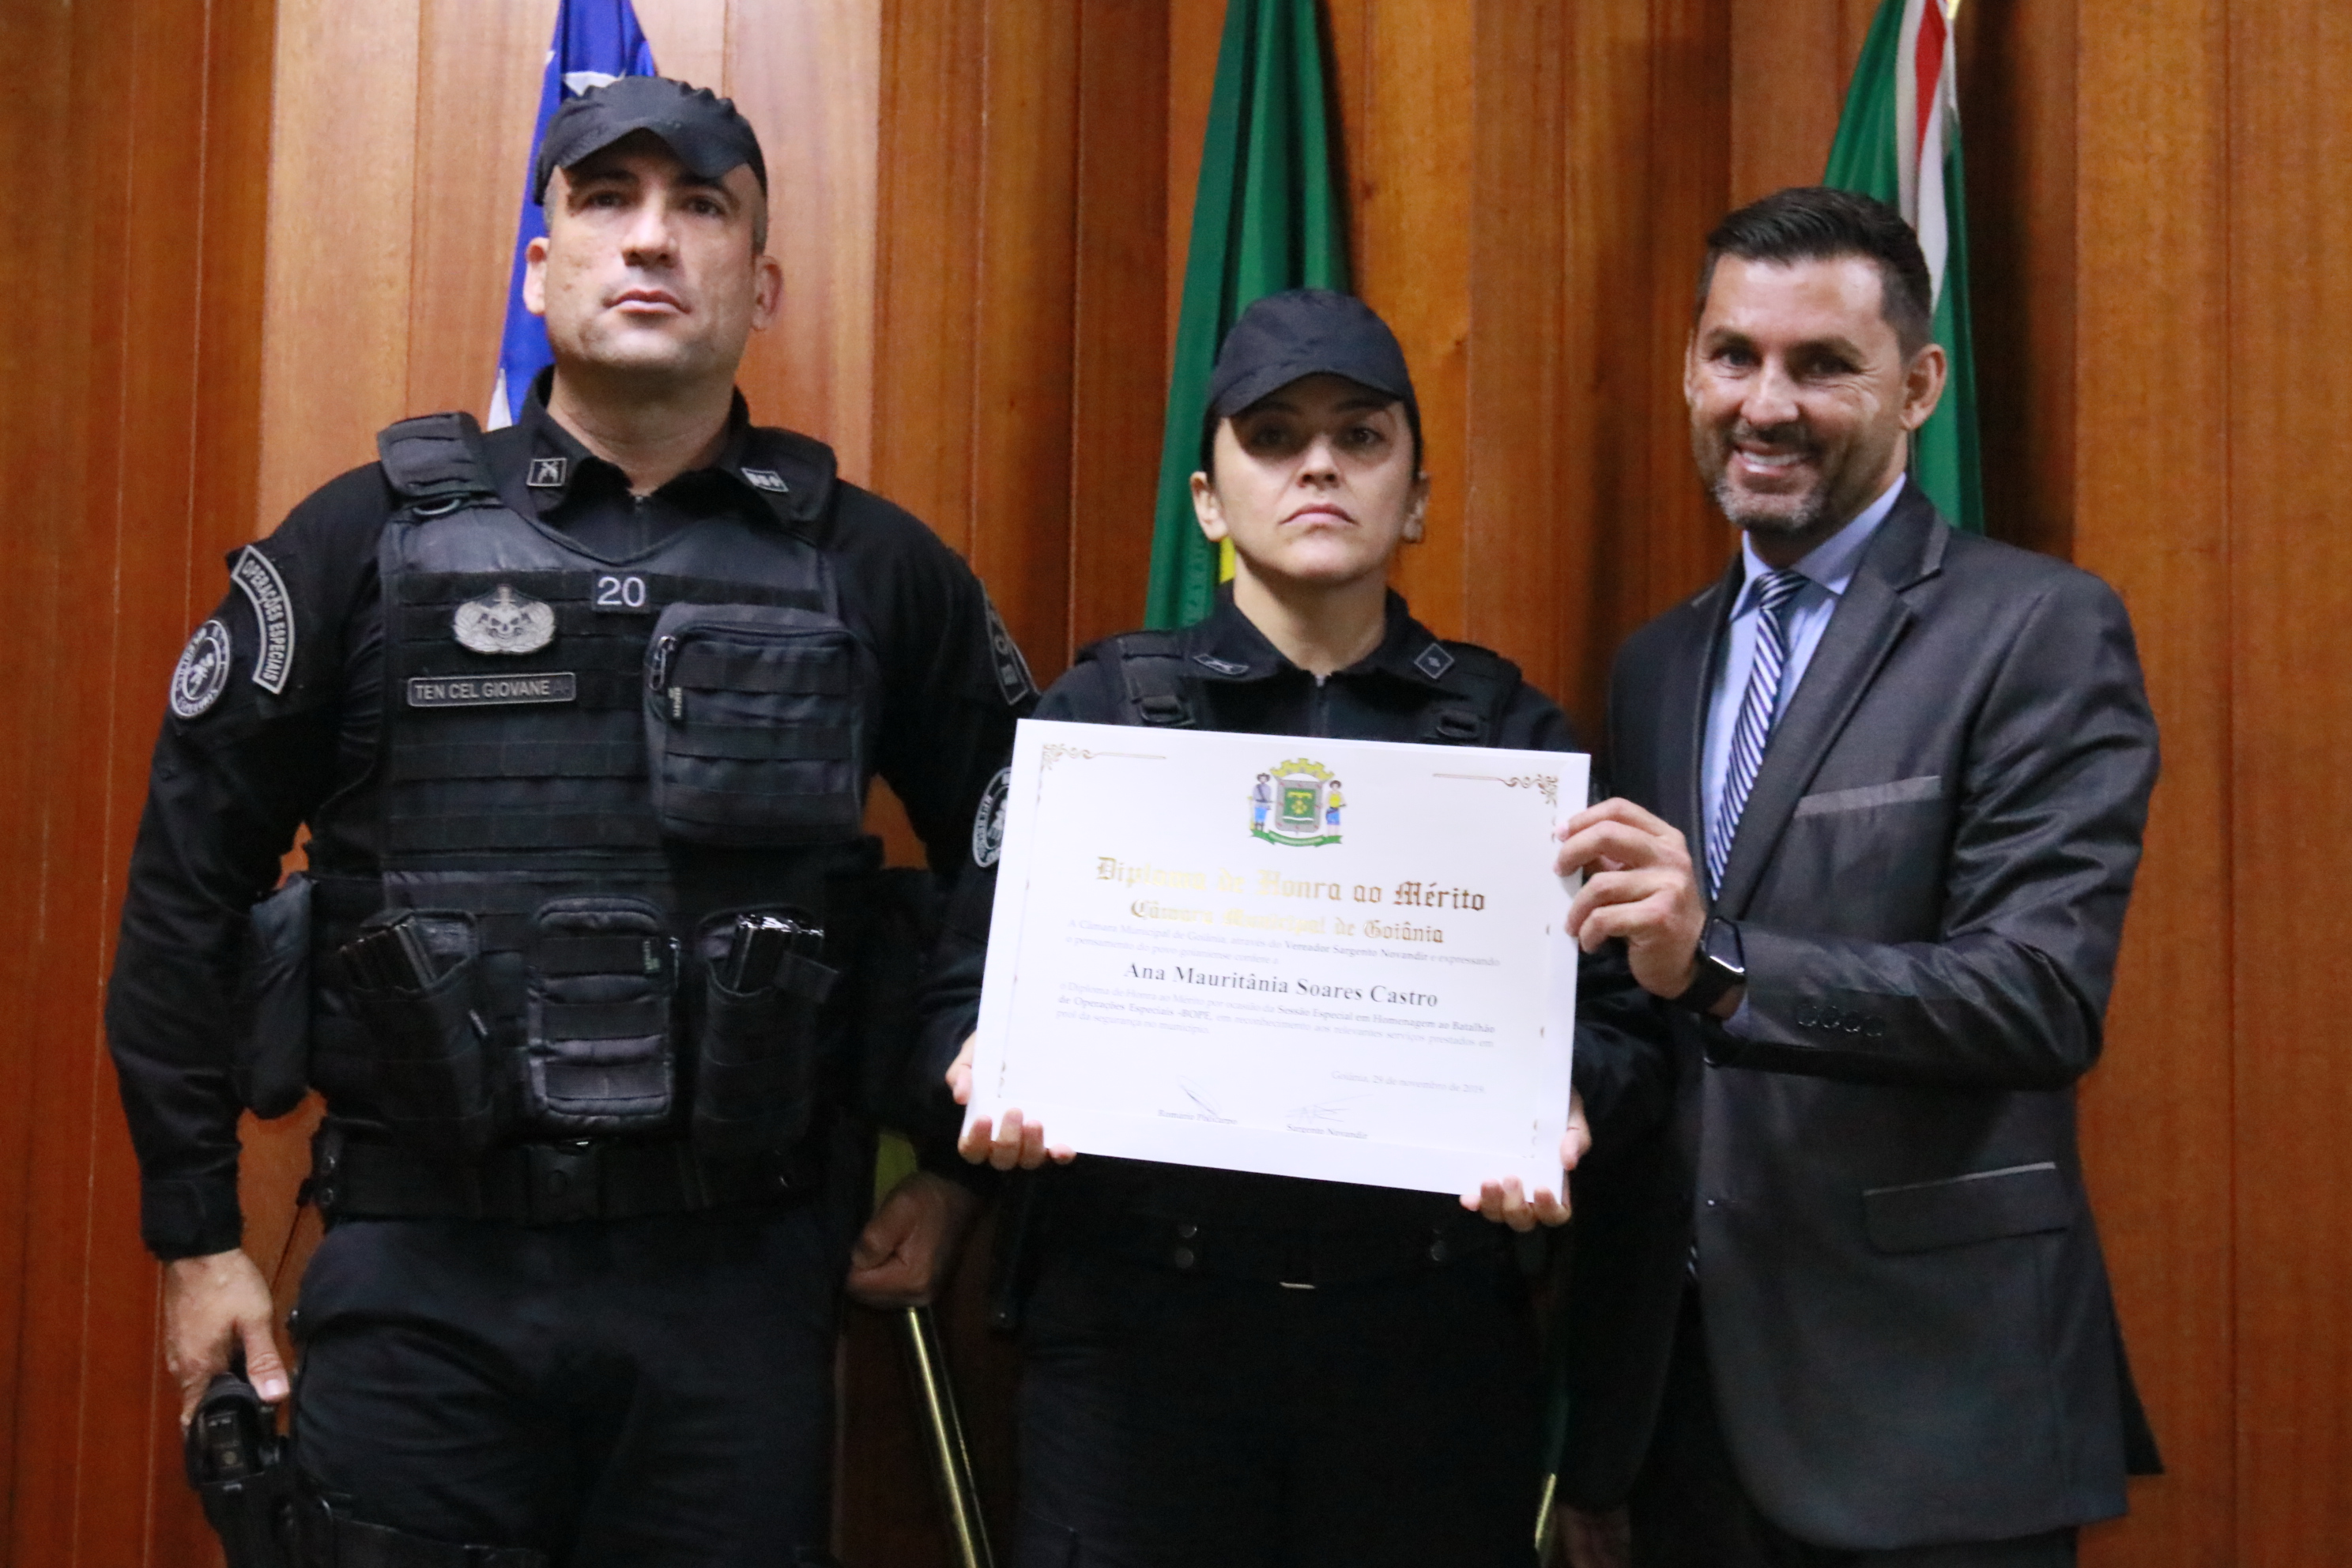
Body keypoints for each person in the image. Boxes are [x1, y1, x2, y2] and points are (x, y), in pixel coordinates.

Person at [107, 77, 1023, 1567]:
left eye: (701, 206)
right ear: (540, 270)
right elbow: (184, 885)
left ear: (760, 284)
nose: (650, 240)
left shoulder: (878, 571)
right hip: (424, 1283)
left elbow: (1026, 860)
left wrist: (957, 1173)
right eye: (606, 202)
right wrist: (197, 1231)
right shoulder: (360, 542)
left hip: (741, 1283)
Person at [947, 288, 1668, 1568]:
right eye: (1274, 437)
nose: (1319, 465)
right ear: (1209, 502)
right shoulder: (1100, 721)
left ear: (1417, 495)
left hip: (1425, 1344)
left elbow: (1618, 1032)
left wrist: (1561, 1104)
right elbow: (954, 993)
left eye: (1360, 436)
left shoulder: (1510, 742)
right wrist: (977, 1067)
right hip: (1138, 1346)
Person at [1551, 187, 2162, 1567]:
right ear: (1691, 368)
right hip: (1678, 1411)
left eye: (1823, 364)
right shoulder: (1658, 662)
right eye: (1733, 355)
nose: (1765, 405)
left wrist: (1725, 965)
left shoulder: (2036, 629)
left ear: (1919, 386)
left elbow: (2040, 997)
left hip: (1929, 1408)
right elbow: (1641, 1022)